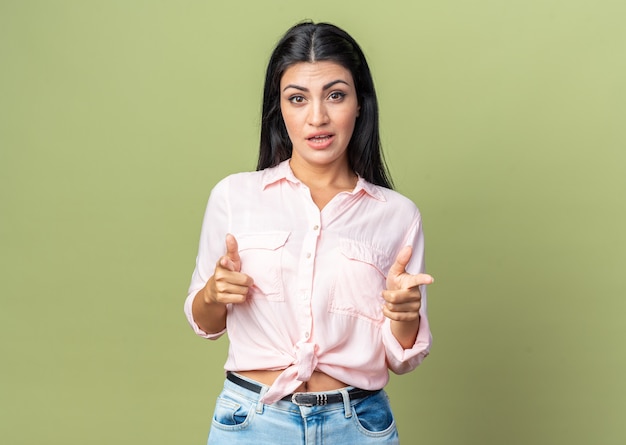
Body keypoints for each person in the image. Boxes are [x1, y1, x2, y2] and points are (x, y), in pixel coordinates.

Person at [184, 21, 434, 444]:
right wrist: (213, 293)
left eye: (335, 95)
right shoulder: (234, 196)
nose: (317, 117)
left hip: (358, 426)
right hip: (252, 423)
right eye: (297, 99)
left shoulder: (397, 215)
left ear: (359, 104)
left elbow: (401, 358)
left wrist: (405, 316)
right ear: (279, 109)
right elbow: (205, 322)